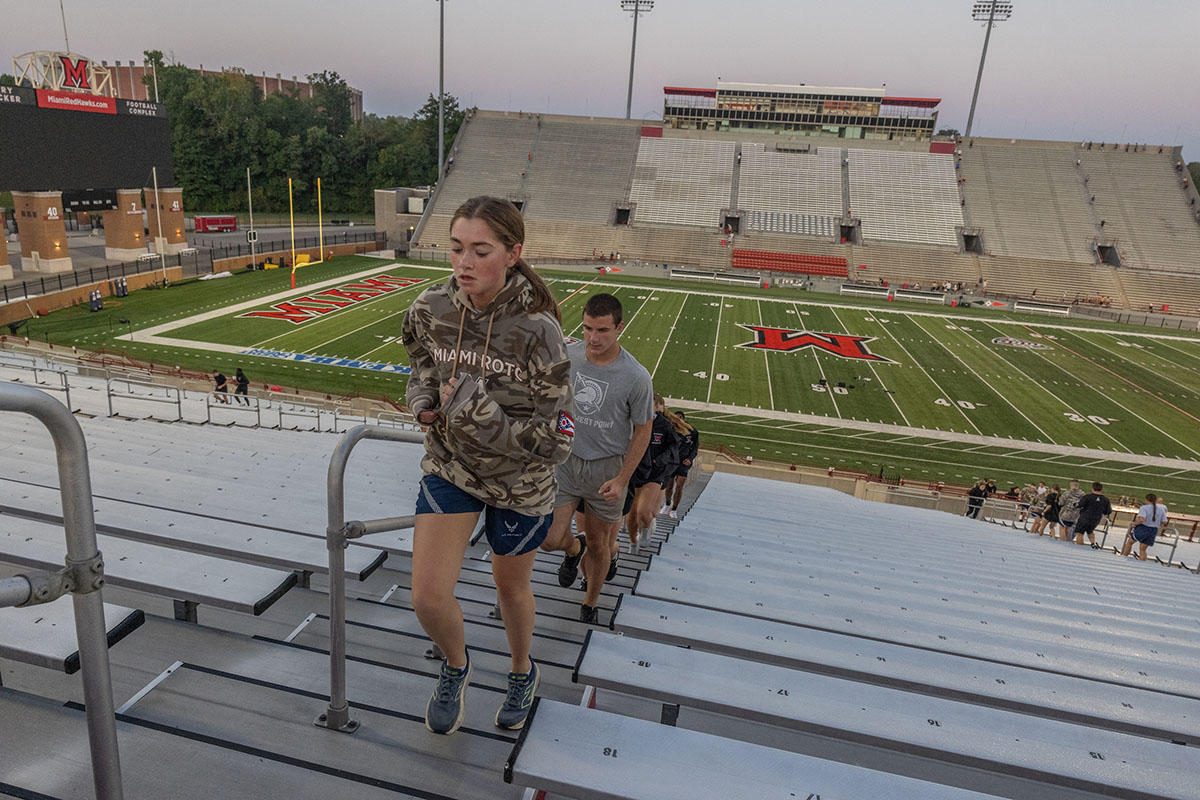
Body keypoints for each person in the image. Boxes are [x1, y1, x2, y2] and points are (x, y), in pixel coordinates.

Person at [401, 196, 574, 736]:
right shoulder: (431, 306)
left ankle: (522, 670)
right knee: (427, 596)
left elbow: (558, 442)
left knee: (509, 589)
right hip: (451, 467)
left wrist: (482, 416)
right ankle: (456, 665)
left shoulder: (539, 331)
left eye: (481, 250)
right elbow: (420, 362)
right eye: (456, 249)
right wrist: (423, 401)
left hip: (521, 485)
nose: (464, 263)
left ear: (513, 254)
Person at [539, 292, 654, 626]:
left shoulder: (636, 376)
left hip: (607, 468)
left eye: (603, 330)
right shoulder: (570, 357)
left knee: (601, 544)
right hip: (567, 461)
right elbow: (553, 401)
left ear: (619, 327)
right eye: (588, 328)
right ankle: (573, 552)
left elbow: (643, 431)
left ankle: (591, 600)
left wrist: (622, 480)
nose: (593, 337)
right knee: (549, 540)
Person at [626, 395, 685, 550]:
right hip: (635, 471)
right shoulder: (632, 421)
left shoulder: (664, 425)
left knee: (643, 510)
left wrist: (658, 461)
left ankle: (645, 531)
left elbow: (673, 447)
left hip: (654, 473)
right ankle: (633, 542)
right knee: (631, 514)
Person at [668, 410, 700, 518]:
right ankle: (668, 503)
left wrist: (690, 459)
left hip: (683, 462)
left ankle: (674, 509)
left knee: (679, 486)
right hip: (671, 461)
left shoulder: (691, 431)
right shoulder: (670, 429)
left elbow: (695, 447)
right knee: (669, 484)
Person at [1122, 493, 1168, 561]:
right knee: (1143, 549)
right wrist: (1157, 523)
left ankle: (1123, 557)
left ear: (1146, 500)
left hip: (1143, 528)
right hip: (1153, 530)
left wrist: (1135, 524)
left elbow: (1141, 519)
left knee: (1130, 542)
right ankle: (1142, 565)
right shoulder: (1161, 509)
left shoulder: (1144, 508)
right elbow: (1164, 521)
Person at [1073, 481, 1113, 548]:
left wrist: (1075, 504)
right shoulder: (1105, 500)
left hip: (1085, 517)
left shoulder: (1087, 497)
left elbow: (1079, 505)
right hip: (1096, 519)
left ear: (1092, 488)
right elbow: (1108, 511)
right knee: (1090, 531)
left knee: (1080, 533)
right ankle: (1092, 544)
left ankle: (1079, 547)